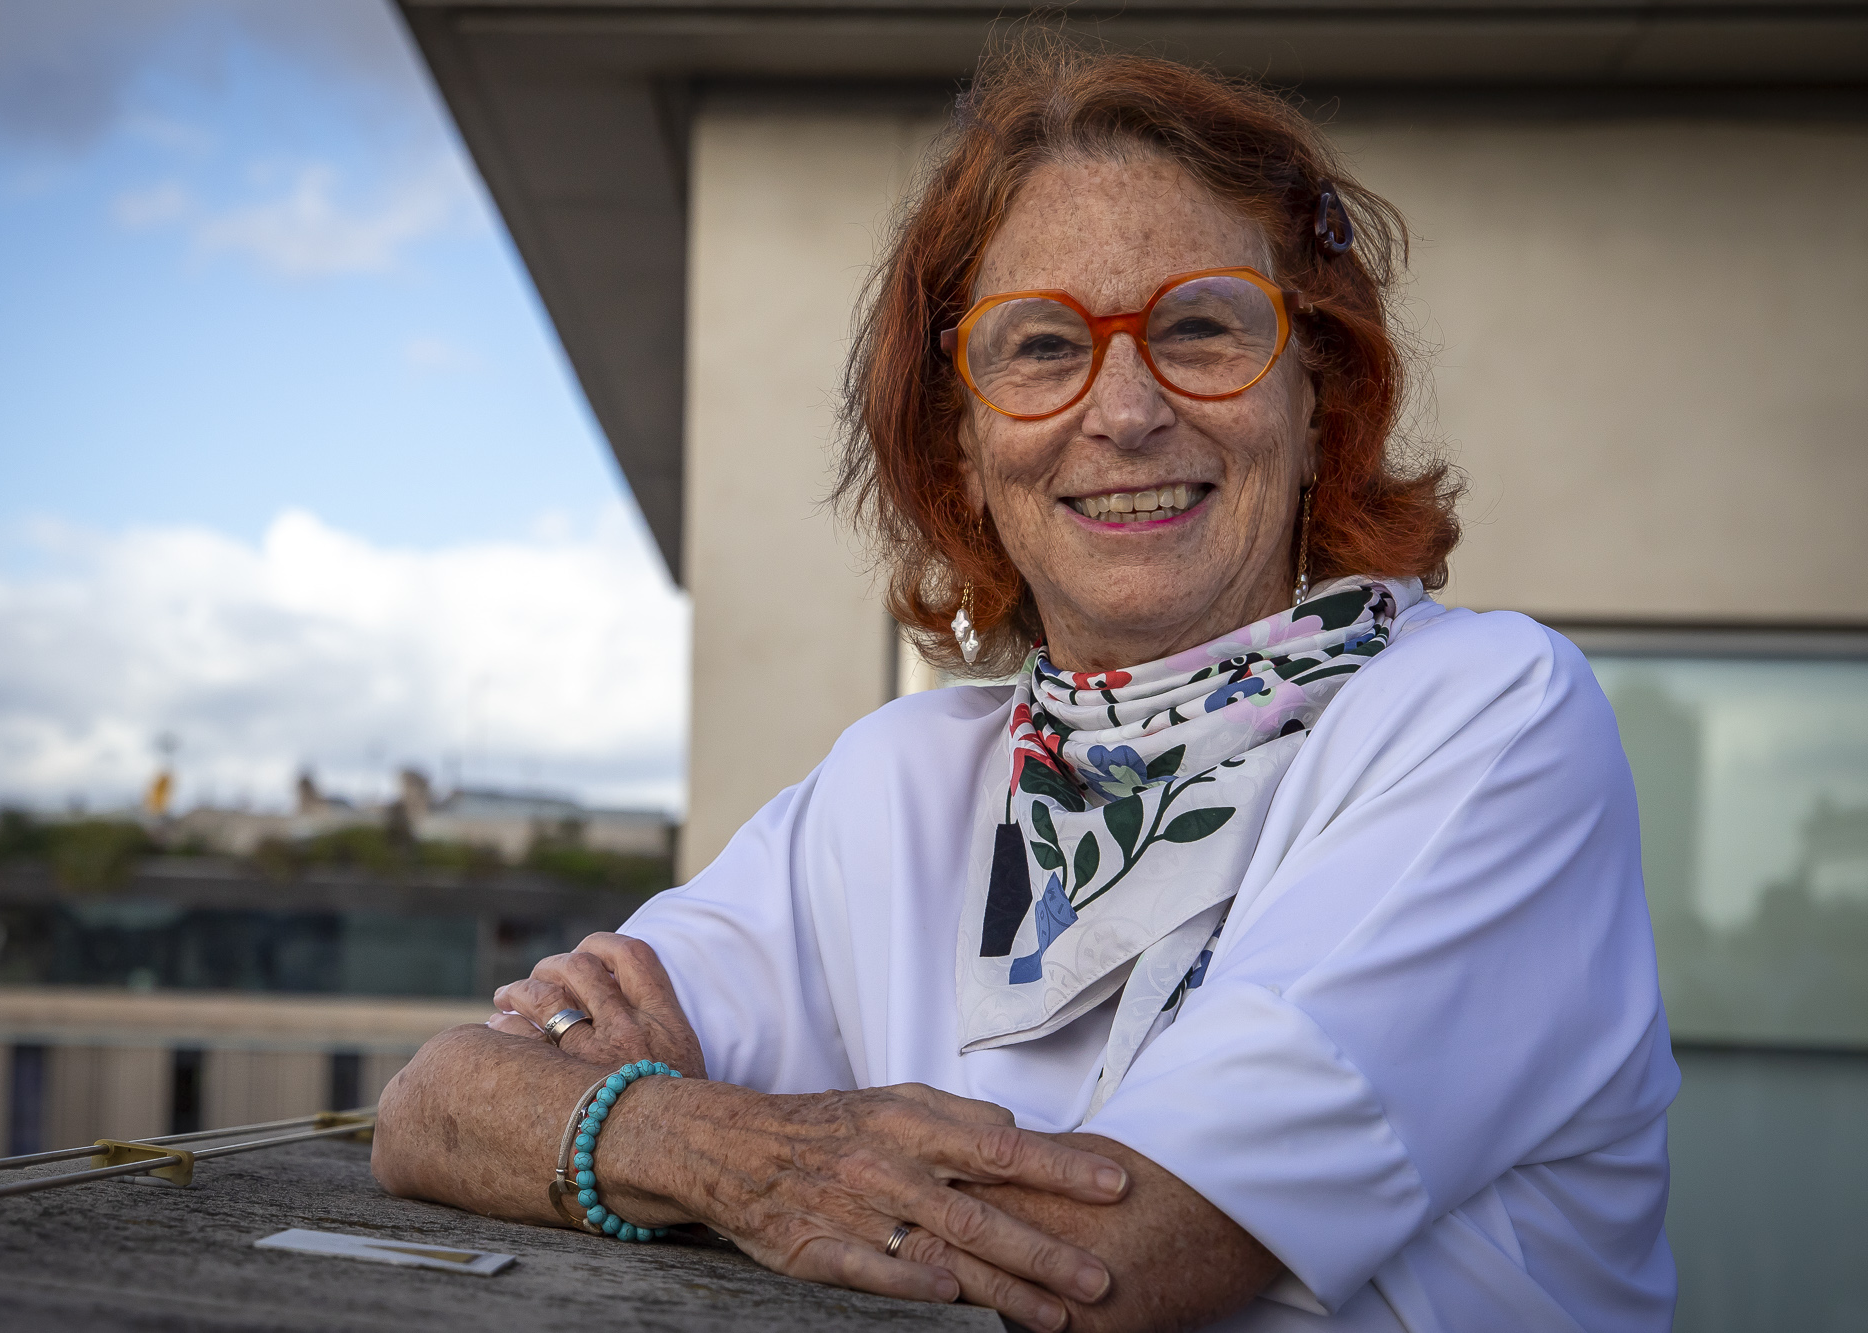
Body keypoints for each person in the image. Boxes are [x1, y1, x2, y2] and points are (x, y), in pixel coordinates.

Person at [372, 41, 1677, 1333]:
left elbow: (1119, 1256)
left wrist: (709, 1148)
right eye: (1043, 346)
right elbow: (440, 1101)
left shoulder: (1484, 717)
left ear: (1317, 390)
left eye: (1203, 329)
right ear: (965, 439)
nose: (1123, 410)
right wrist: (709, 1140)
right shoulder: (903, 781)